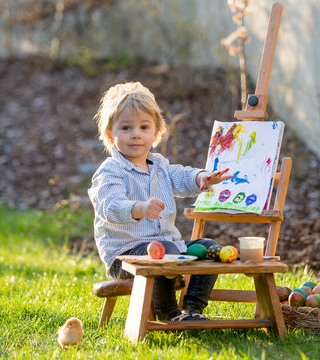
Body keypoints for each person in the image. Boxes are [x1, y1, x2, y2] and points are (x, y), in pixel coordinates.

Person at [88, 82, 232, 321]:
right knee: (165, 252)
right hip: (124, 255)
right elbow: (109, 206)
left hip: (167, 249)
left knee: (208, 248)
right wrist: (139, 208)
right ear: (110, 136)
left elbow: (181, 176)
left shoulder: (160, 165)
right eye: (126, 128)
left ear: (155, 133)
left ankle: (192, 309)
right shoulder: (111, 171)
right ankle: (168, 313)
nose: (136, 134)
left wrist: (201, 177)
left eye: (144, 127)